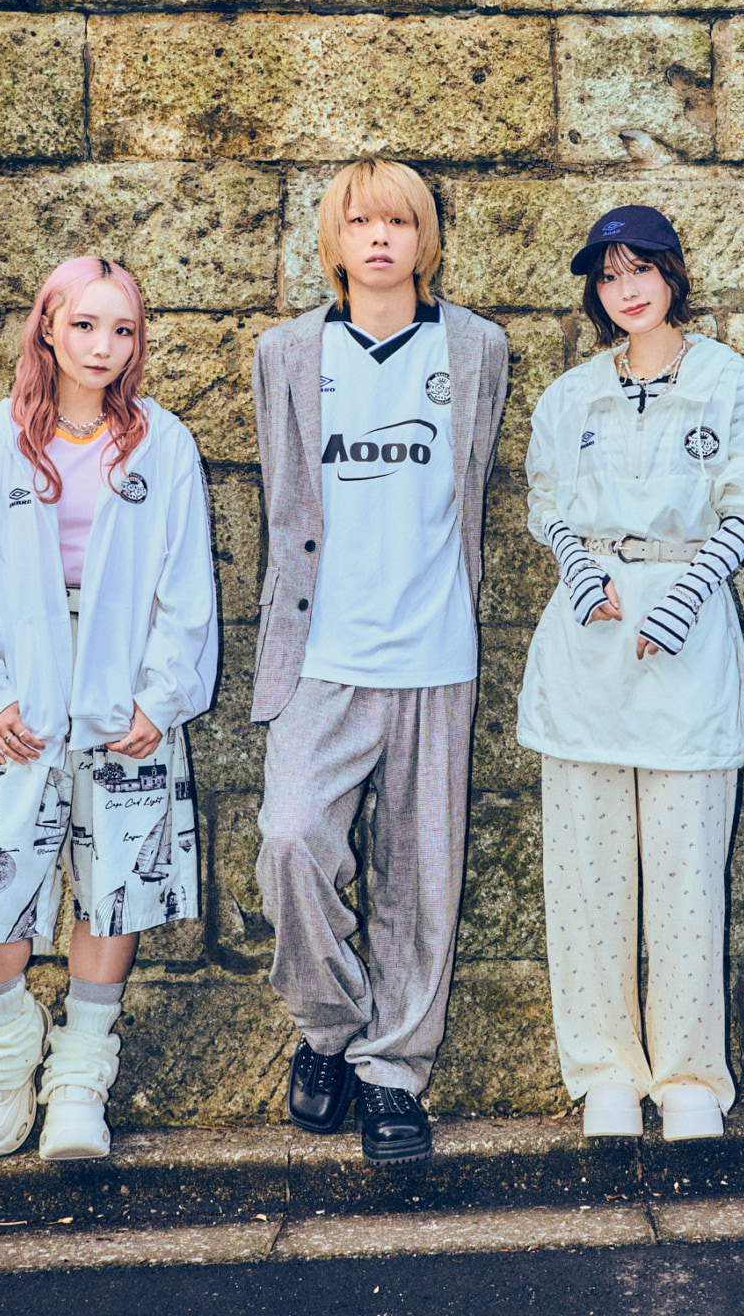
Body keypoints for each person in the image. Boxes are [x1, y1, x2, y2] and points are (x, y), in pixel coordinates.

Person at [0, 256, 217, 1161]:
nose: (103, 346)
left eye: (122, 330)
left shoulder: (162, 444)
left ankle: (83, 1071)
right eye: (85, 325)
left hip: (124, 685)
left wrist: (162, 695)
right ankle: (4, 1046)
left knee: (115, 884)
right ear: (47, 327)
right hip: (21, 685)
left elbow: (187, 583)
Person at [517, 205, 744, 1141]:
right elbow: (549, 502)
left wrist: (690, 589)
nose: (626, 289)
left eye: (641, 269)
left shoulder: (725, 381)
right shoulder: (572, 396)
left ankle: (688, 1075)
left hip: (687, 632)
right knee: (586, 872)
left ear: (673, 275)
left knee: (685, 871)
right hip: (589, 642)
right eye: (608, 276)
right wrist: (580, 565)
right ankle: (602, 1068)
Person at [252, 159, 508, 1164]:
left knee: (421, 882)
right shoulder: (286, 353)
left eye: (398, 221)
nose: (379, 238)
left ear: (424, 236)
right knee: (290, 842)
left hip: (436, 656)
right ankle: (329, 1029)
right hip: (322, 656)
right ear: (334, 238)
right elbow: (285, 503)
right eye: (360, 222)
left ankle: (394, 1075)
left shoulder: (475, 347)